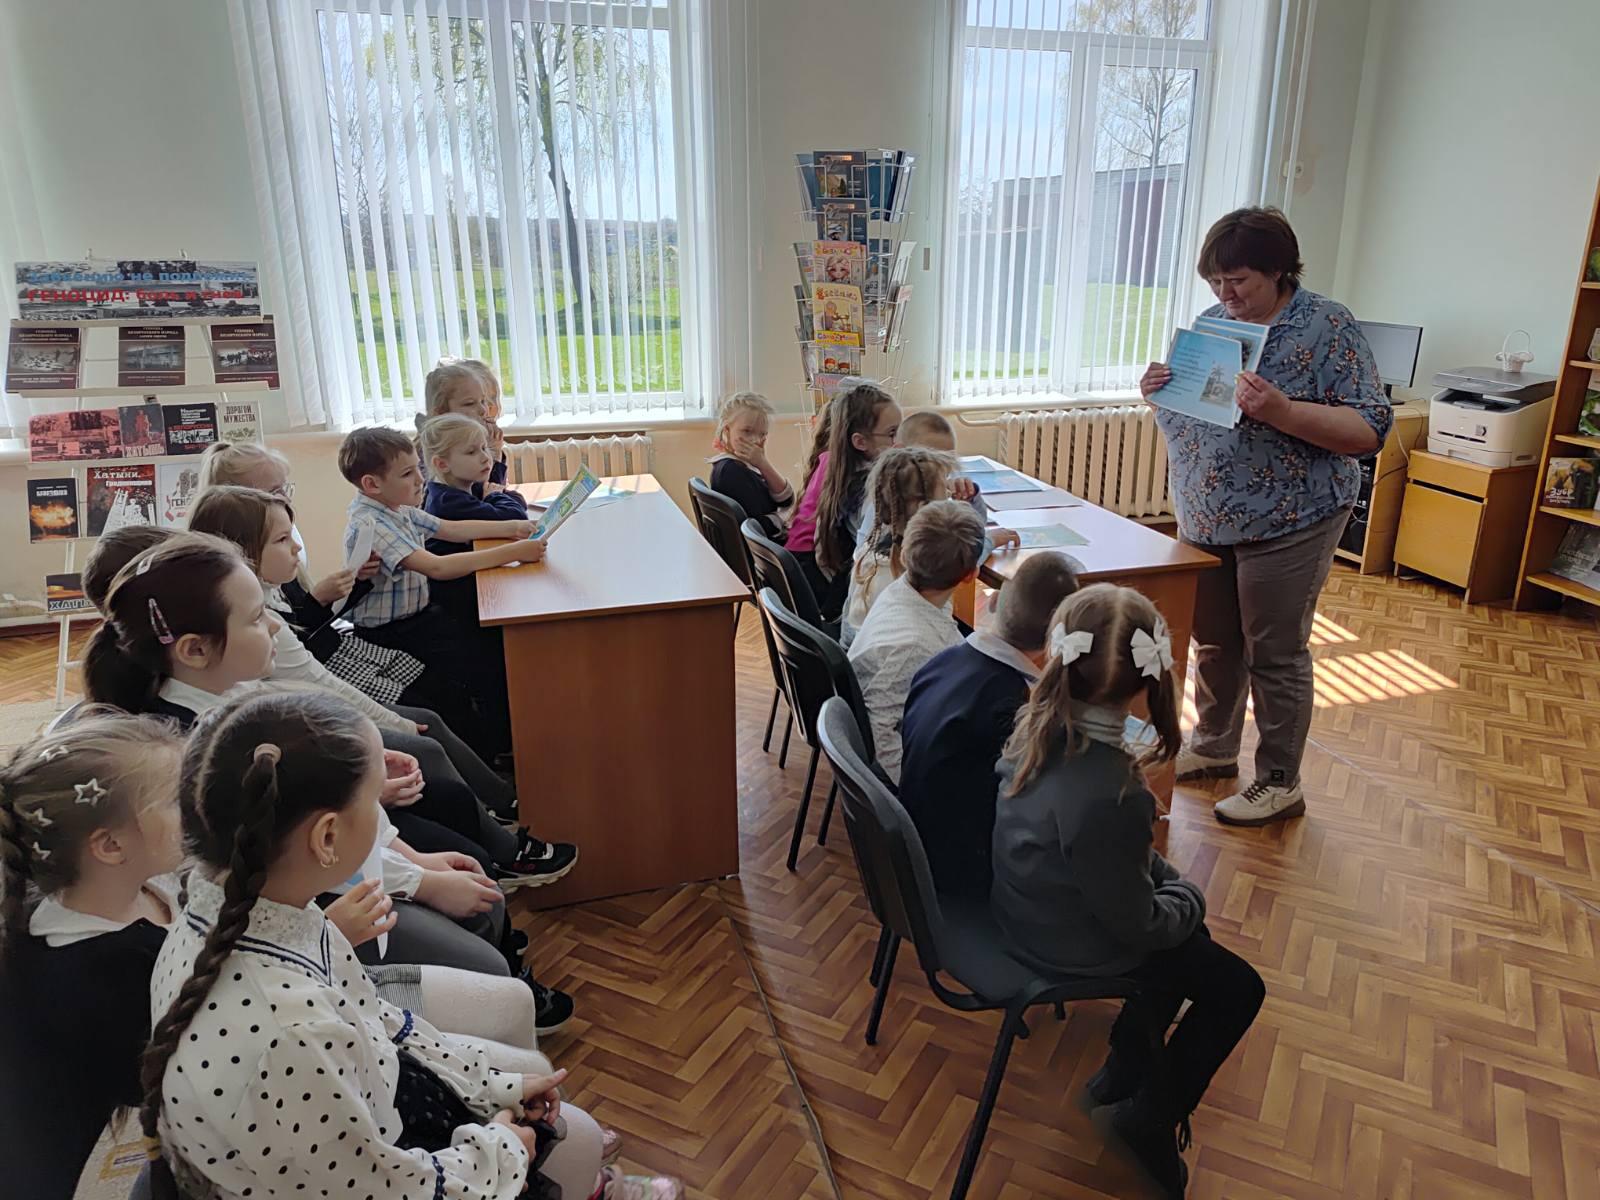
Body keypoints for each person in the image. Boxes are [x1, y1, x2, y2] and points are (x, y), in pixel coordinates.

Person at [138, 689, 682, 1200]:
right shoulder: (290, 1033)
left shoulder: (246, 904)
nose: (384, 819)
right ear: (327, 838)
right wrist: (501, 1149)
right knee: (573, 1135)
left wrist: (489, 1082)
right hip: (371, 1159)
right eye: (375, 804)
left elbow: (373, 1015)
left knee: (543, 1094)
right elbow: (389, 1188)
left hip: (360, 1103)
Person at [80, 534, 575, 1030]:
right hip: (302, 909)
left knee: (475, 886)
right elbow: (305, 854)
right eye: (256, 617)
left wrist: (415, 861)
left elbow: (330, 813)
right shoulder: (207, 749)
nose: (275, 624)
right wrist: (420, 880)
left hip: (336, 873)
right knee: (479, 949)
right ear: (195, 649)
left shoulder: (236, 697)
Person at [992, 584, 1265, 1198]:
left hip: (1026, 908)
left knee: (1190, 944)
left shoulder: (1038, 726)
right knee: (1239, 987)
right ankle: (1147, 1118)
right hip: (1067, 943)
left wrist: (1164, 886)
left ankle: (1122, 1072)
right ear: (1149, 680)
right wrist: (1188, 895)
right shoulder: (1113, 790)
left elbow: (1112, 863)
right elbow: (1138, 923)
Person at [187, 486, 576, 892]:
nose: (297, 548)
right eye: (283, 540)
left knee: (430, 717)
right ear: (245, 551)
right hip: (318, 712)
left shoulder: (272, 591)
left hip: (321, 699)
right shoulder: (259, 613)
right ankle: (507, 844)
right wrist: (392, 721)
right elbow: (316, 682)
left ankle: (500, 805)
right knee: (426, 739)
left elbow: (311, 645)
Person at [1140, 206, 1391, 826]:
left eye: (1239, 281)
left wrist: (1283, 411)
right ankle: (1214, 747)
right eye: (1215, 282)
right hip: (1208, 515)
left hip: (1292, 516)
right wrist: (1158, 393)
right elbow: (1197, 412)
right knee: (1216, 642)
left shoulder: (1326, 325)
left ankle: (1280, 782)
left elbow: (1369, 428)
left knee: (1275, 651)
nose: (1225, 295)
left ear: (1278, 270)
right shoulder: (1214, 324)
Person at [191, 443, 505, 807]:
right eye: (275, 491)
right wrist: (319, 600)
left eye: (285, 489)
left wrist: (347, 586)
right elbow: (305, 657)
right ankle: (491, 799)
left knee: (439, 696)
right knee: (427, 719)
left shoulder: (276, 565)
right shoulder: (250, 593)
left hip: (336, 650)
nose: (286, 501)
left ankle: (493, 792)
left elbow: (309, 623)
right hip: (328, 670)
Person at [338, 427, 541, 759]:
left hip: (418, 618)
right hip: (391, 634)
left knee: (486, 655)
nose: (420, 479)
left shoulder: (395, 507)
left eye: (417, 468)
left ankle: (499, 743)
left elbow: (449, 528)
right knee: (473, 673)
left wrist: (513, 528)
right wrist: (513, 552)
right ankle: (491, 753)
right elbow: (437, 567)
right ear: (372, 484)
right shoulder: (372, 524)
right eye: (407, 473)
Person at [898, 551, 1082, 902]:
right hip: (964, 882)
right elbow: (1043, 813)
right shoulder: (1010, 711)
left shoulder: (942, 661)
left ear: (996, 602)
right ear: (1058, 641)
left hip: (919, 850)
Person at [848, 499, 987, 783]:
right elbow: (880, 731)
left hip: (917, 729)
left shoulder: (901, 590)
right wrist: (913, 792)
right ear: (971, 575)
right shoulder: (915, 647)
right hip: (909, 772)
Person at [790, 381, 902, 618]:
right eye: (892, 434)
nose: (900, 443)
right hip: (820, 581)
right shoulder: (864, 484)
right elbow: (873, 549)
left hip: (808, 569)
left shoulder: (840, 463)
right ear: (860, 442)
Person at [418, 413, 532, 626]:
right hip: (459, 602)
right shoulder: (448, 501)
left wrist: (494, 494)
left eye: (484, 448)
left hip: (471, 583)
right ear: (442, 464)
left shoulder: (464, 484)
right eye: (471, 452)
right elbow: (515, 515)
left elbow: (516, 500)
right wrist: (494, 496)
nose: (485, 457)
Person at [842, 445, 957, 647]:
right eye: (945, 496)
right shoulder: (911, 576)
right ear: (926, 510)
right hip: (894, 658)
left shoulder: (868, 552)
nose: (950, 500)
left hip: (857, 652)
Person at [707, 391, 794, 540]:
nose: (755, 440)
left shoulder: (748, 466)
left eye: (762, 434)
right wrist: (783, 519)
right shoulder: (731, 471)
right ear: (727, 430)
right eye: (747, 431)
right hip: (762, 549)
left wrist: (763, 464)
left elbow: (786, 500)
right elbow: (754, 527)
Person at [419, 356, 510, 485]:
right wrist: (493, 457)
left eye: (483, 401)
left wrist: (494, 452)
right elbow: (484, 494)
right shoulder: (440, 450)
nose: (483, 410)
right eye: (469, 403)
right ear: (441, 413)